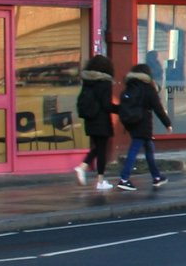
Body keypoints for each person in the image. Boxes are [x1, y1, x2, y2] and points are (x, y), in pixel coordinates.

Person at [112, 65, 170, 189]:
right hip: (143, 125)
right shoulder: (148, 89)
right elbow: (158, 108)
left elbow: (123, 107)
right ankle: (124, 178)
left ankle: (156, 177)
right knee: (134, 149)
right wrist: (167, 123)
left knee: (149, 148)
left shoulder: (129, 88)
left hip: (132, 123)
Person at [73, 55, 117, 187]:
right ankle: (100, 180)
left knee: (97, 148)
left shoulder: (87, 82)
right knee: (101, 150)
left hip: (90, 120)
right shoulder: (105, 83)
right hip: (101, 120)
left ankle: (83, 167)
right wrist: (121, 109)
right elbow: (106, 105)